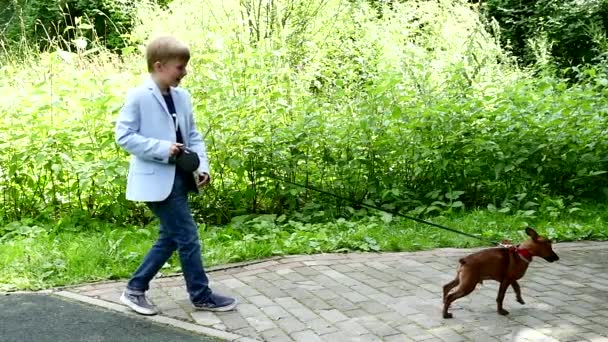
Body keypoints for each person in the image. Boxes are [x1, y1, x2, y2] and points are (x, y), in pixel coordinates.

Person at [114, 36, 237, 315]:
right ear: (159, 66)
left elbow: (193, 135)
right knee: (188, 237)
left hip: (181, 177)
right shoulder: (139, 96)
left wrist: (201, 167)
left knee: (171, 237)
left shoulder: (182, 97)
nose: (185, 72)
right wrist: (162, 148)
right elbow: (123, 136)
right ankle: (200, 295)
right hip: (155, 178)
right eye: (180, 67)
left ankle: (135, 289)